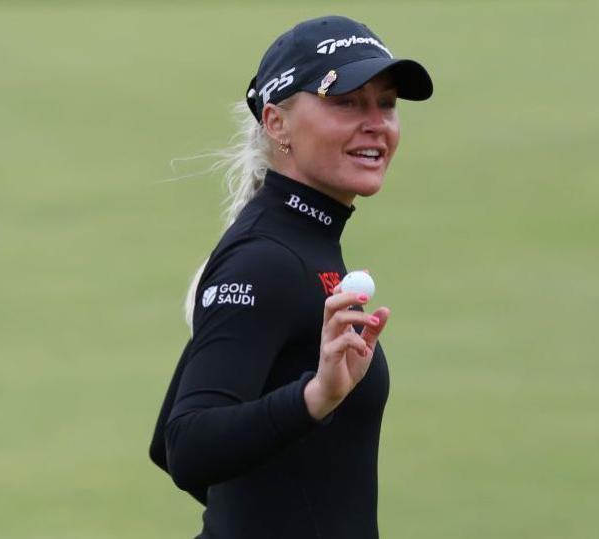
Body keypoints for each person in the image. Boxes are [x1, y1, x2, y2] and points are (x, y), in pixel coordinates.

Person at [149, 15, 433, 538]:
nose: (376, 123)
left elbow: (171, 448)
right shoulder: (265, 259)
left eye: (386, 103)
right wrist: (314, 398)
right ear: (277, 123)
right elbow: (185, 446)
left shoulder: (294, 245)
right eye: (345, 102)